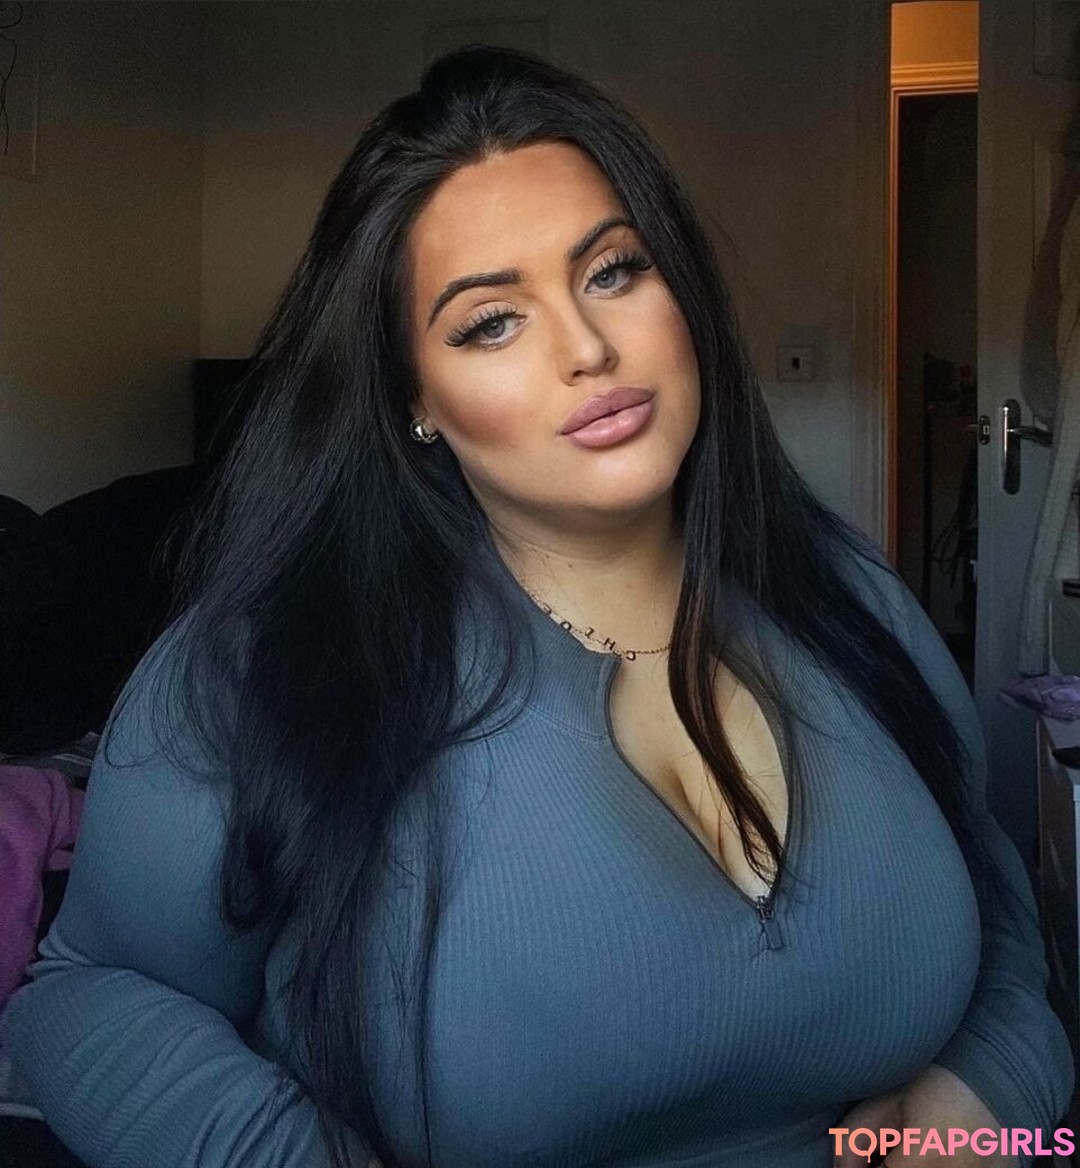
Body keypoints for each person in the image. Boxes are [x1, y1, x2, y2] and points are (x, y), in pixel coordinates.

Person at [1, 45, 1072, 1168]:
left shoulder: (851, 595)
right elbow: (86, 998)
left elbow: (993, 885)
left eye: (613, 271)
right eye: (490, 323)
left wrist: (993, 1084)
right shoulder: (265, 662)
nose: (589, 348)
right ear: (414, 397)